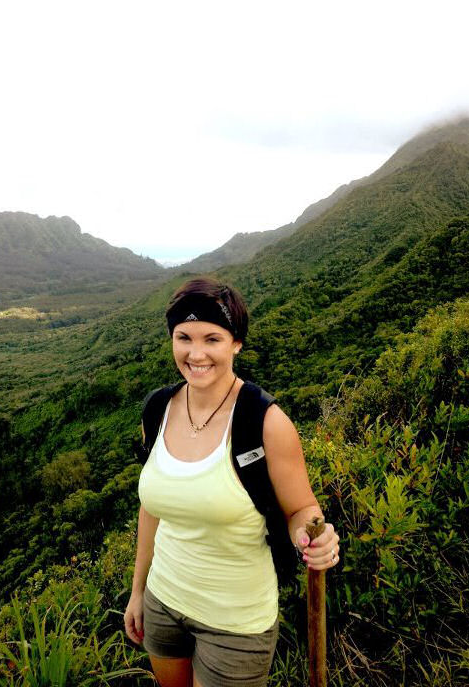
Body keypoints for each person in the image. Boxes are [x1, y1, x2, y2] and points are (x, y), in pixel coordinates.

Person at [124, 277, 340, 687]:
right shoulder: (157, 409)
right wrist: (138, 591)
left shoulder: (266, 422)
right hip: (163, 599)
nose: (196, 353)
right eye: (184, 338)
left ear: (236, 343)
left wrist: (315, 535)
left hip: (235, 622)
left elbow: (301, 509)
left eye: (212, 339)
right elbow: (152, 507)